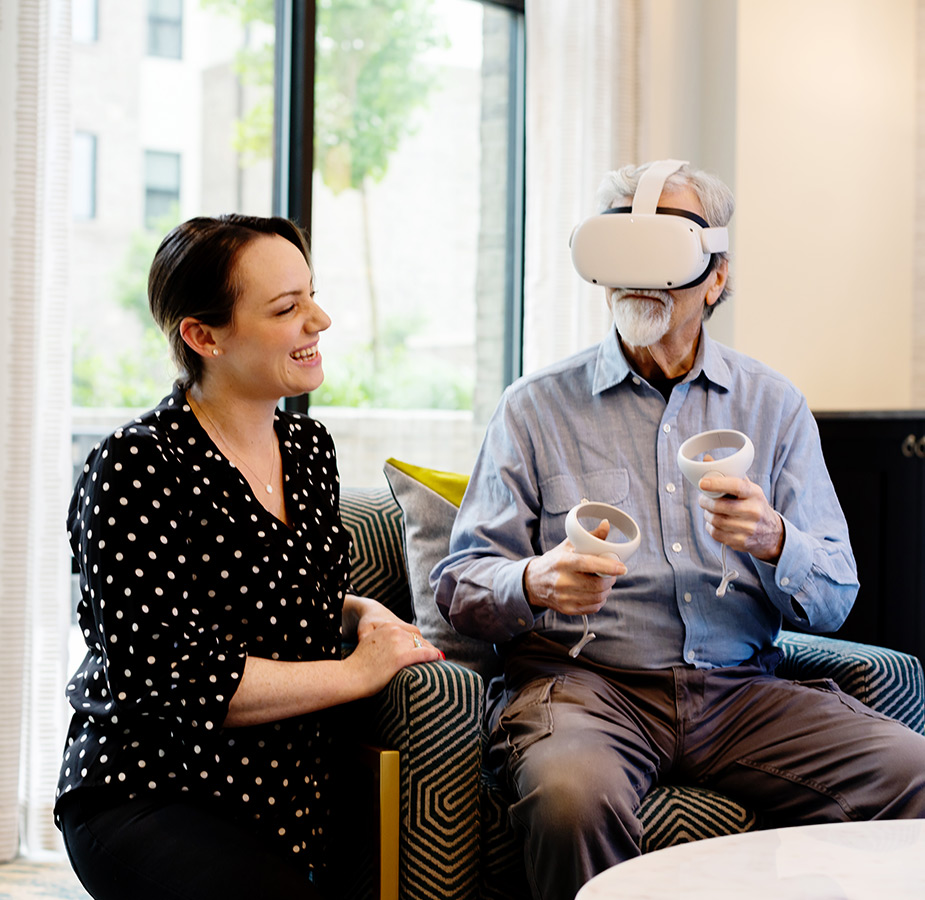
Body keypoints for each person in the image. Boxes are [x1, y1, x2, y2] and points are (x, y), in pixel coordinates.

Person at [432, 161, 925, 900]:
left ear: (715, 276)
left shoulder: (773, 404)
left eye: (662, 248)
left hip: (740, 693)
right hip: (584, 687)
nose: (639, 271)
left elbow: (833, 598)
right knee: (571, 798)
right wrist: (533, 580)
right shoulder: (532, 408)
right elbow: (461, 584)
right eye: (621, 244)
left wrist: (771, 540)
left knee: (912, 775)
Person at [56, 214, 443, 900]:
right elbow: (170, 679)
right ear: (203, 337)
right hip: (152, 791)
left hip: (287, 802)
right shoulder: (138, 465)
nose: (318, 319)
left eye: (311, 295)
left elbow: (290, 599)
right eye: (287, 308)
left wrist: (362, 611)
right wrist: (357, 672)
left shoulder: (308, 449)